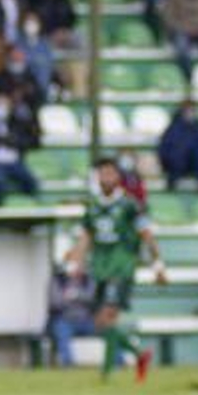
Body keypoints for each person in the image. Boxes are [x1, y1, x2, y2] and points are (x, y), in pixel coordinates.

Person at [66, 158, 167, 381]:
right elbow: (86, 237)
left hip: (121, 267)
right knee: (100, 323)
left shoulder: (130, 205)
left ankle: (107, 372)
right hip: (100, 268)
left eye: (110, 174)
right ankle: (138, 354)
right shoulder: (93, 206)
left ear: (118, 177)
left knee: (107, 317)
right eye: (102, 174)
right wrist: (76, 262)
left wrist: (157, 264)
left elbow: (147, 235)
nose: (106, 178)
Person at [46, 262, 95, 368]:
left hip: (85, 321)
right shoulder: (58, 280)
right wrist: (71, 299)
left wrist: (76, 295)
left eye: (79, 266)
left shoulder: (87, 280)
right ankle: (68, 364)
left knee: (109, 329)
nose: (77, 269)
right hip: (65, 320)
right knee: (61, 330)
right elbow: (55, 302)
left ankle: (119, 362)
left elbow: (92, 298)